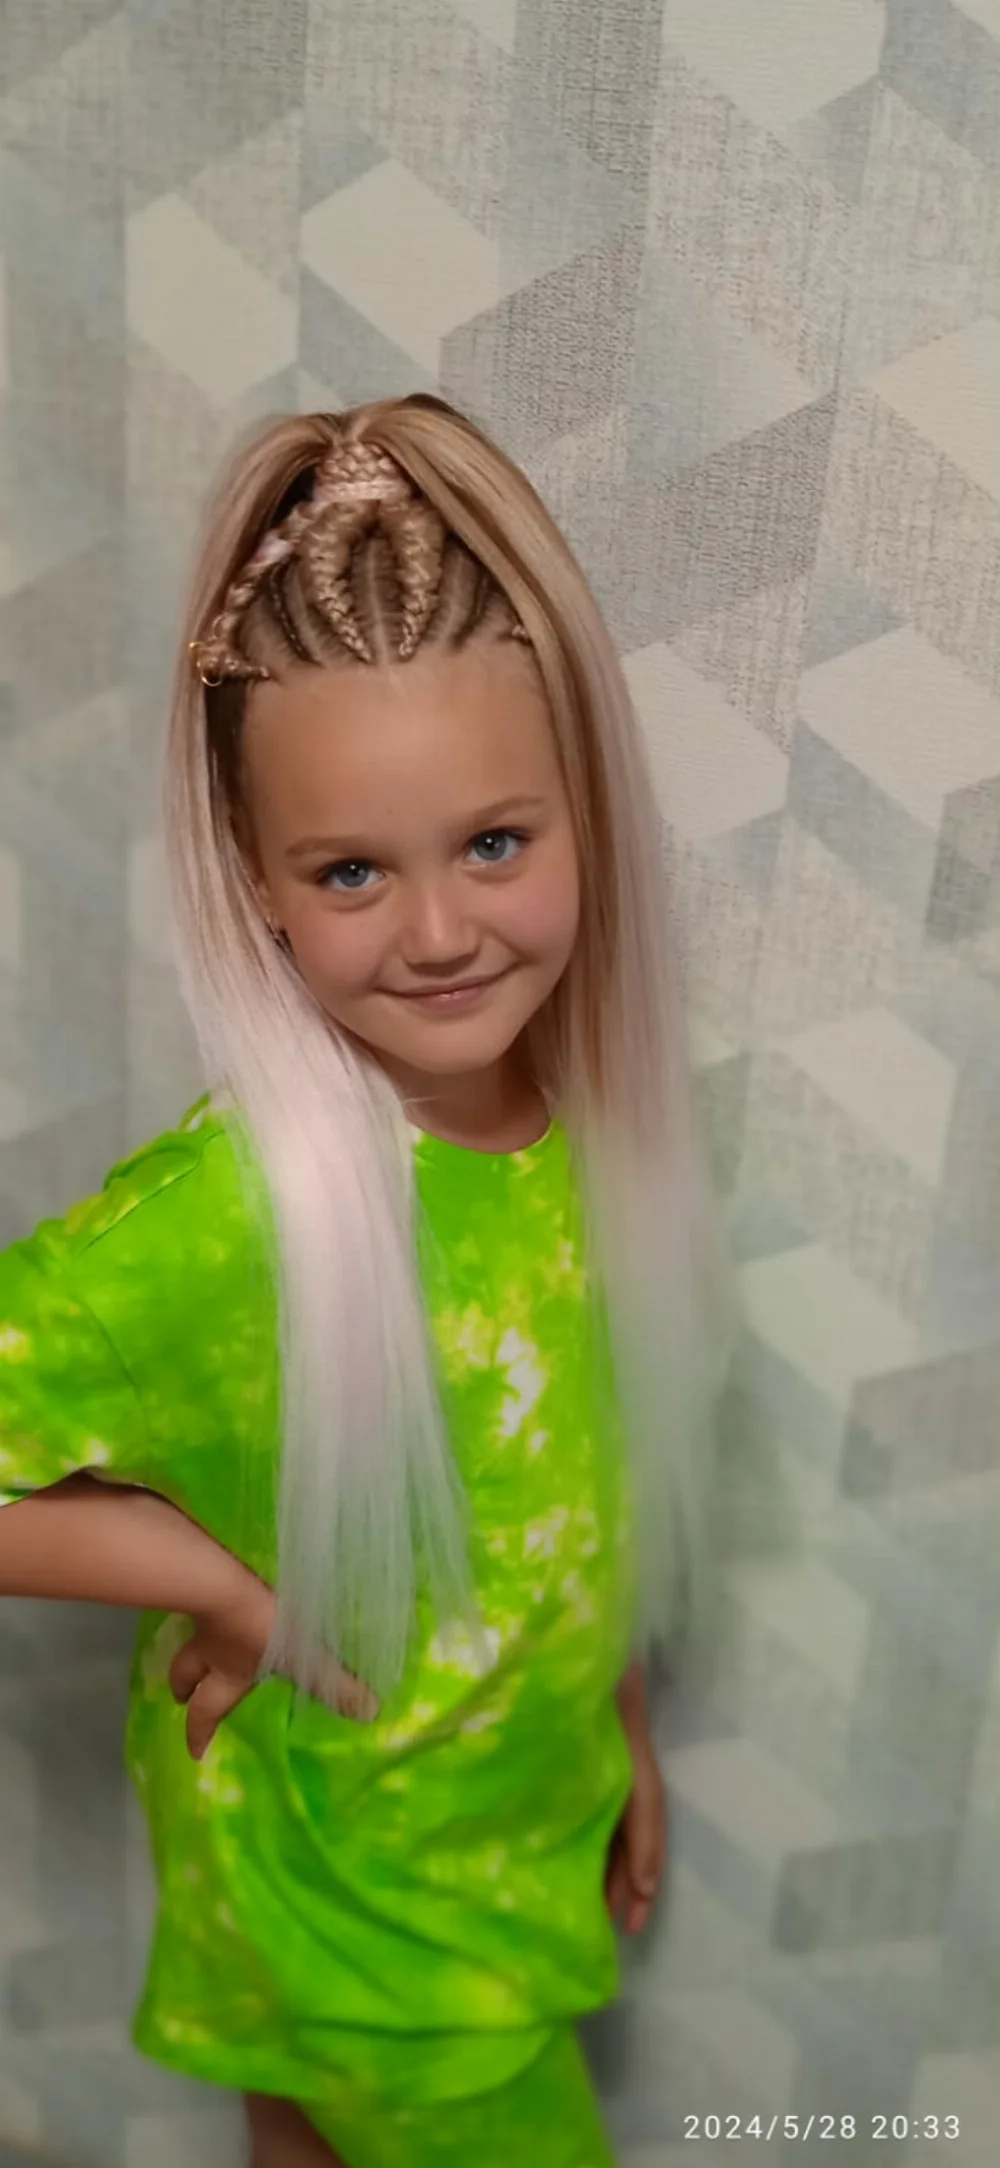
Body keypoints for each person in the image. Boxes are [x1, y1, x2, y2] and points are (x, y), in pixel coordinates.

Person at [0, 396, 731, 2168]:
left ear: (584, 811)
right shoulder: (226, 1218)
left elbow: (585, 1481)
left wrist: (620, 1732)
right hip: (366, 1922)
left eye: (495, 843)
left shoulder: (595, 1128)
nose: (441, 932)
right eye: (350, 871)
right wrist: (212, 1582)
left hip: (490, 1851)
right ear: (254, 878)